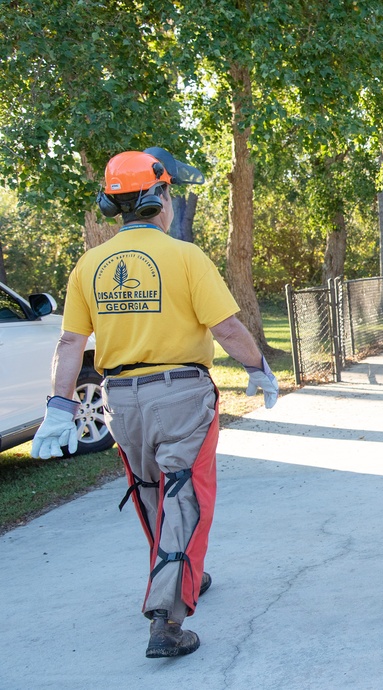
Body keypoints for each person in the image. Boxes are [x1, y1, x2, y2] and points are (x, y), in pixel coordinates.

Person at [30, 147, 279, 659]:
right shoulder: (185, 256)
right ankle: (166, 619)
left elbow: (71, 344)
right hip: (182, 394)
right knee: (185, 496)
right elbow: (227, 327)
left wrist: (60, 404)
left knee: (151, 494)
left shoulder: (89, 265)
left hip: (122, 402)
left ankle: (186, 575)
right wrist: (257, 367)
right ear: (160, 197)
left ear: (112, 204)